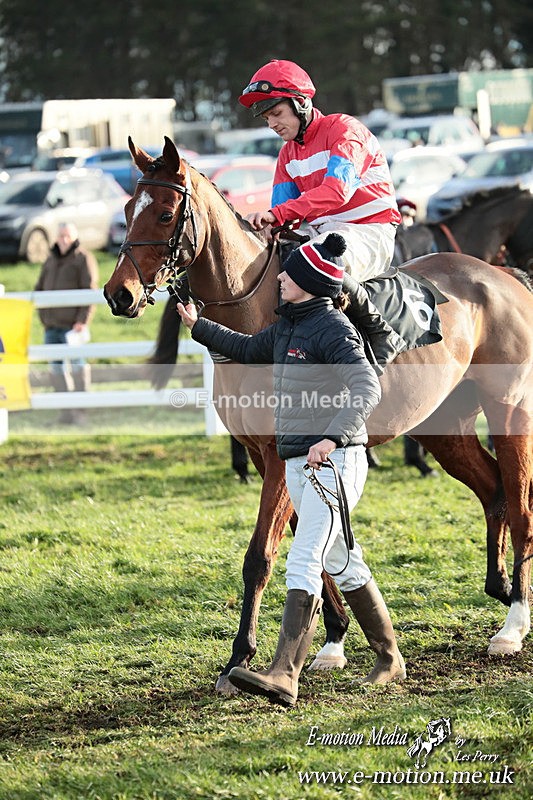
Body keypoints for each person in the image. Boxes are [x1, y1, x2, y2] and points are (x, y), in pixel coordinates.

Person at [177, 233, 406, 707]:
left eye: (288, 274)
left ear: (304, 284)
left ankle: (284, 672)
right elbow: (244, 346)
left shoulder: (332, 329)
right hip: (303, 464)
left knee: (304, 557)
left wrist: (334, 436)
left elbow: (367, 386)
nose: (278, 277)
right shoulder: (287, 328)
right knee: (342, 562)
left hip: (335, 462)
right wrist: (198, 326)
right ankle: (389, 657)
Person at [238, 59, 406, 369]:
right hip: (322, 232)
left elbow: (336, 191)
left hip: (369, 230)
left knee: (320, 254)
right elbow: (284, 216)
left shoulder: (345, 130)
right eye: (266, 118)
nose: (272, 124)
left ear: (301, 103)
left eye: (276, 113)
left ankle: (381, 333)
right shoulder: (288, 153)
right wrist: (262, 227)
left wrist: (276, 214)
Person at [34, 222, 99, 424]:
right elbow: (39, 289)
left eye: (67, 236)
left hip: (73, 327)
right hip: (51, 327)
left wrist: (82, 320)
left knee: (78, 366)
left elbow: (90, 291)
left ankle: (81, 412)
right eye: (60, 235)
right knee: (56, 368)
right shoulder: (50, 260)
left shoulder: (83, 259)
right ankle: (65, 411)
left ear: (73, 237)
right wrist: (44, 317)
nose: (63, 239)